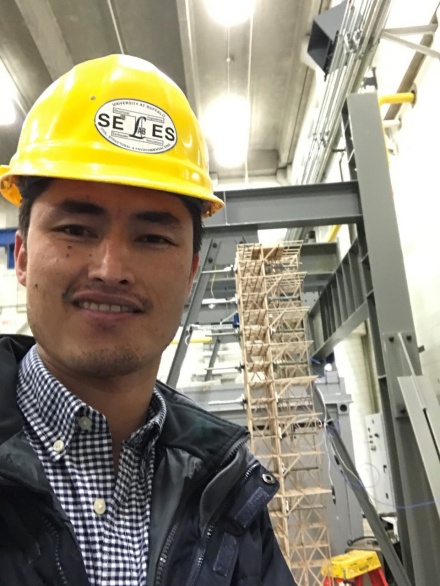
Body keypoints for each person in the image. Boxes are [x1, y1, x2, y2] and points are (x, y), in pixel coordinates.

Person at [0, 54, 297, 585]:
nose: (110, 269)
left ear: (190, 272)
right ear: (21, 256)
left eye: (153, 237)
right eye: (76, 229)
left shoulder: (230, 494)